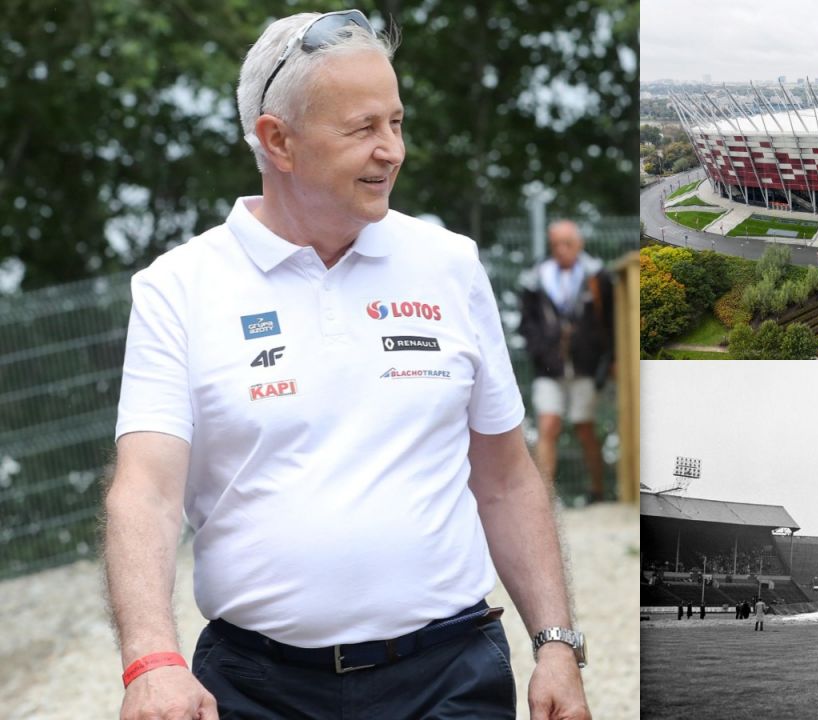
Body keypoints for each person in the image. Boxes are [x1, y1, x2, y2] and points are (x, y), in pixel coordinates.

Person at [103, 11, 589, 720]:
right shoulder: (177, 288)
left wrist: (557, 645)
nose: (392, 150)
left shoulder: (450, 265)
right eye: (363, 128)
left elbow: (507, 479)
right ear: (278, 140)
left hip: (449, 677)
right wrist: (152, 662)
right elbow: (144, 493)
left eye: (396, 122)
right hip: (257, 689)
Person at [518, 219, 614, 502]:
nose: (561, 249)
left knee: (585, 427)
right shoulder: (535, 278)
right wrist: (539, 349)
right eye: (556, 244)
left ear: (579, 244)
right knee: (548, 425)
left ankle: (597, 491)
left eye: (567, 244)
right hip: (548, 367)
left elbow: (611, 320)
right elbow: (527, 322)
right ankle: (544, 498)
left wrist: (610, 356)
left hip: (585, 365)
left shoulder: (596, 276)